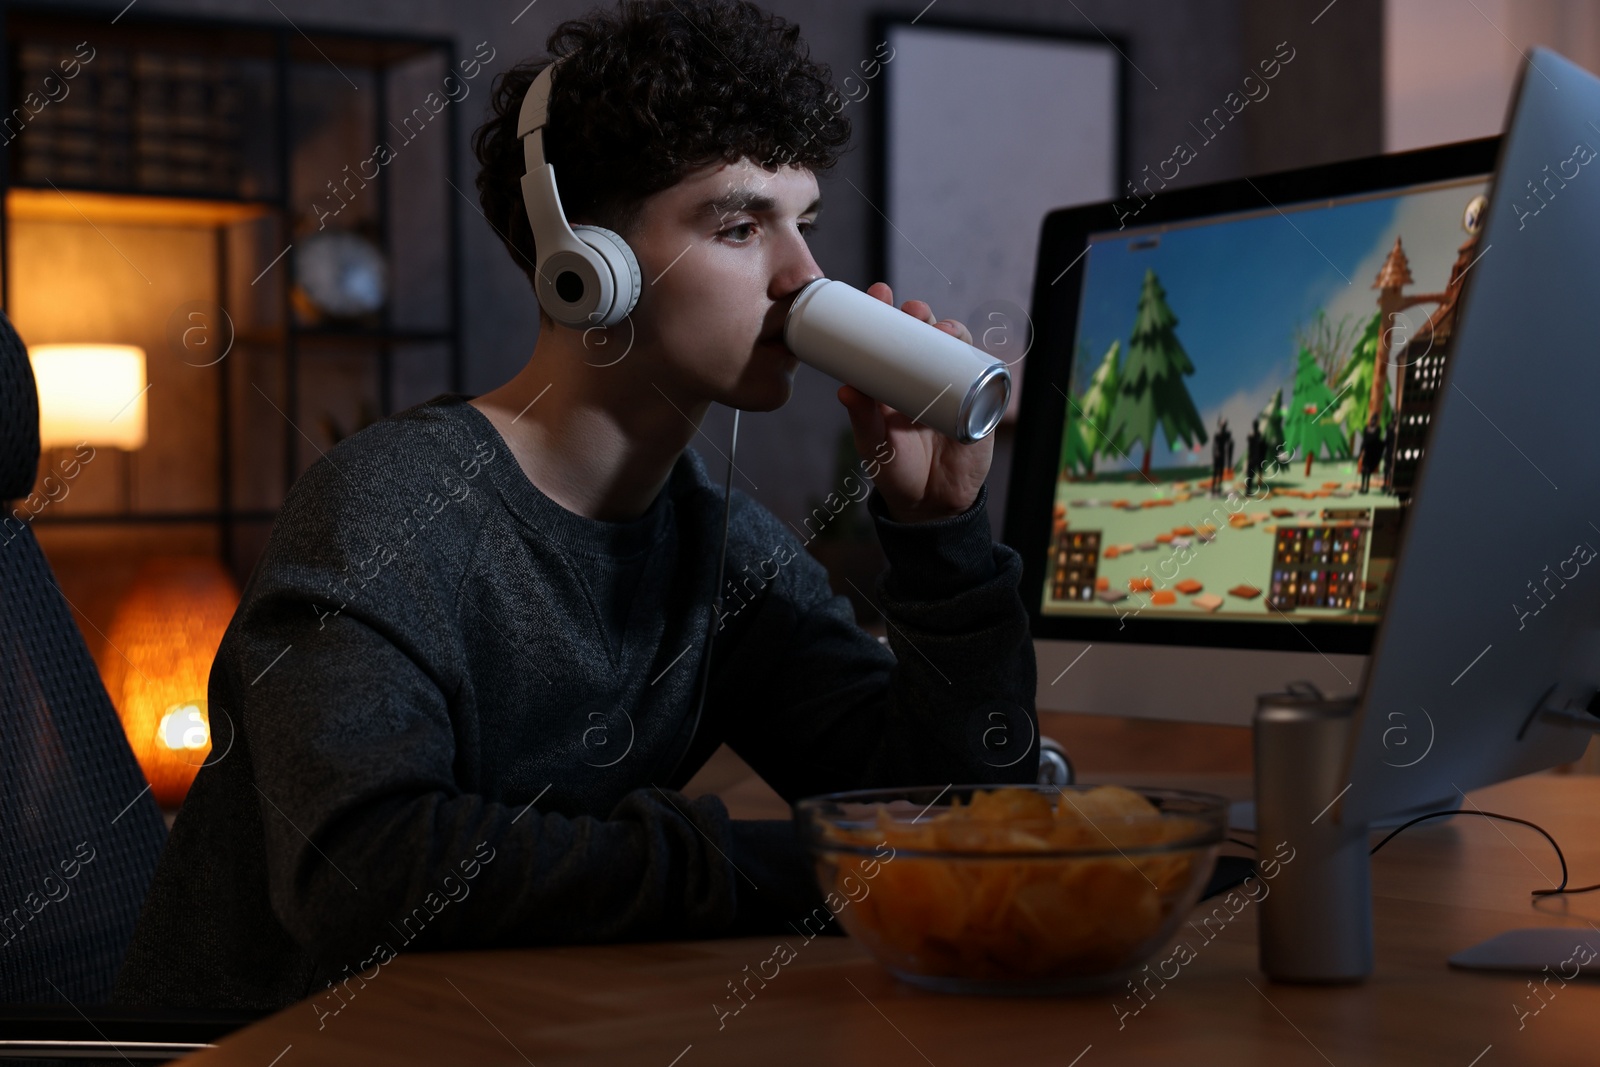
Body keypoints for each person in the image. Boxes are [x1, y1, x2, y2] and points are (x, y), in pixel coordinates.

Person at [113, 0, 1037, 1011]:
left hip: (491, 1029)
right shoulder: (389, 507)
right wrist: (808, 862)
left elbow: (953, 821)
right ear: (587, 269)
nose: (804, 279)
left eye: (803, 224)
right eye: (738, 225)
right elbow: (367, 872)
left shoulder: (713, 544)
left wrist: (939, 531)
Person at [1358, 414, 1384, 493]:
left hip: (1372, 453)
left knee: (1368, 470)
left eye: (1374, 420)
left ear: (1376, 422)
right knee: (1363, 470)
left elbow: (1375, 439)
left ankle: (1367, 487)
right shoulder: (1366, 428)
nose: (1372, 421)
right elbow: (1364, 439)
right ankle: (1362, 486)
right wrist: (1361, 451)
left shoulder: (1378, 429)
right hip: (1366, 451)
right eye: (1372, 420)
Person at [1210, 417, 1234, 495]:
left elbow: (1229, 443)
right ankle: (1214, 488)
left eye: (1224, 425)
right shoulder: (1218, 434)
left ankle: (1218, 487)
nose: (1223, 427)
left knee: (1220, 472)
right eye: (1222, 425)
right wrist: (1215, 455)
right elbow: (1215, 446)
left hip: (1222, 454)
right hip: (1218, 455)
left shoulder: (1226, 434)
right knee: (1216, 472)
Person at [1244, 419, 1267, 496]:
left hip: (1255, 458)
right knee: (1250, 475)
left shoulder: (1257, 435)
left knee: (1251, 475)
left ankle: (1248, 490)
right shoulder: (1253, 436)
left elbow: (1262, 446)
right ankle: (1248, 491)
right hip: (1253, 458)